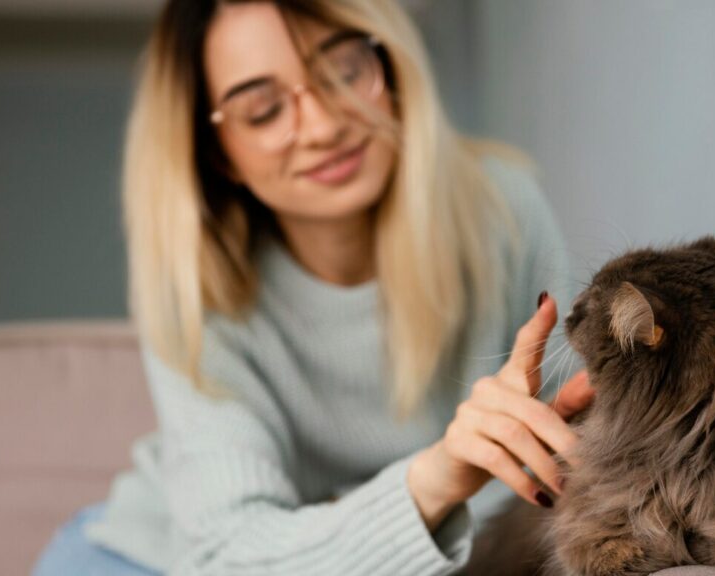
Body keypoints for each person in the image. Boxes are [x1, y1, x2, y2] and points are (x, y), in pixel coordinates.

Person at [32, 0, 593, 574]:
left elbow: (561, 473)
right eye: (263, 110)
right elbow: (231, 553)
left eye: (345, 72)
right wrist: (433, 480)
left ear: (391, 67)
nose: (324, 127)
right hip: (159, 560)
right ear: (216, 153)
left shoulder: (503, 212)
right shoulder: (196, 287)